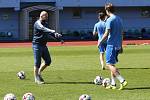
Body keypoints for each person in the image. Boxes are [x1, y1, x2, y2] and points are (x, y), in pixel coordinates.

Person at [99, 3, 127, 90]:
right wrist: (121, 45)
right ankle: (113, 84)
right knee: (112, 64)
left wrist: (100, 41)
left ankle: (122, 80)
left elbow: (107, 33)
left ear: (107, 10)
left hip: (111, 45)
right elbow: (122, 33)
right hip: (118, 44)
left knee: (109, 65)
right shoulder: (119, 19)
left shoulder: (110, 20)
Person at [32, 11, 62, 84]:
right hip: (37, 45)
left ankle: (39, 73)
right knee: (37, 62)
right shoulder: (37, 23)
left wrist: (57, 37)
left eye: (47, 16)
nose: (47, 17)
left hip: (43, 45)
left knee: (48, 61)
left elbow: (48, 33)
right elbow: (43, 29)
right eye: (45, 16)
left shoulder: (45, 24)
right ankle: (36, 79)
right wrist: (53, 31)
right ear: (41, 16)